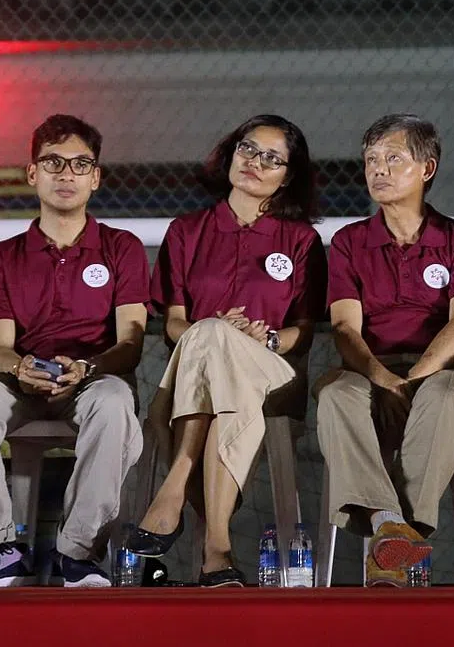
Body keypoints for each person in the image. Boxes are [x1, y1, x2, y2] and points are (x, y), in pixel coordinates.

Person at [0, 114, 148, 588]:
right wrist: (22, 368)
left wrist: (86, 367)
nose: (66, 174)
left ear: (95, 177)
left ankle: (78, 553)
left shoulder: (122, 248)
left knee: (115, 402)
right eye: (53, 161)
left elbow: (130, 344)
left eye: (80, 164)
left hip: (93, 379)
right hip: (24, 380)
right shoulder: (3, 256)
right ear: (32, 173)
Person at [129, 114, 327, 588]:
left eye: (272, 158)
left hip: (272, 372)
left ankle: (174, 486)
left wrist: (265, 338)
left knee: (218, 341)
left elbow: (302, 332)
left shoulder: (301, 241)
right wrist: (215, 329)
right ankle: (216, 547)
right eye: (248, 149)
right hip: (201, 369)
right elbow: (175, 323)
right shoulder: (187, 231)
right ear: (231, 154)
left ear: (288, 176)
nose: (256, 162)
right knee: (212, 339)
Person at [314, 114, 454, 586]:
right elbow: (346, 331)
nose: (379, 169)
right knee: (336, 394)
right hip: (373, 372)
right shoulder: (350, 243)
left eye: (394, 158)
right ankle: (389, 528)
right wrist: (383, 379)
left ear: (427, 168)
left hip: (446, 372)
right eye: (371, 160)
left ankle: (398, 536)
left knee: (443, 394)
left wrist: (413, 379)